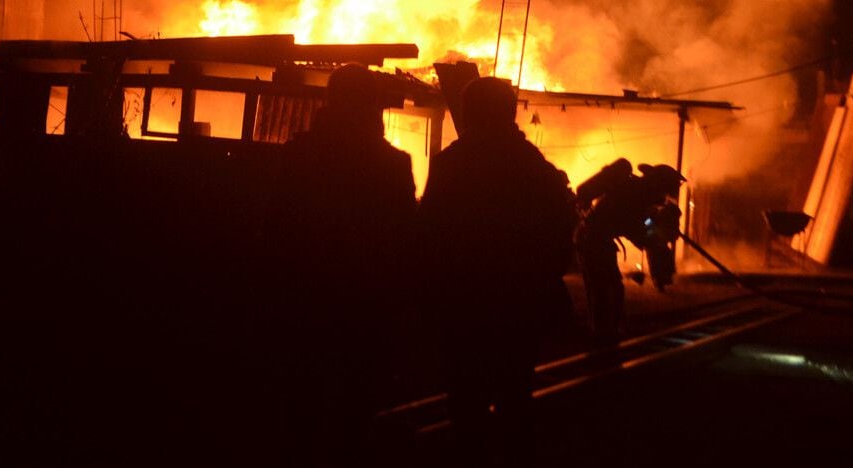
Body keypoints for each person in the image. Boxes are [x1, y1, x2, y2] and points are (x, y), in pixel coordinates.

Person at [262, 63, 417, 467]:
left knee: (300, 406)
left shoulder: (300, 155)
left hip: (305, 299)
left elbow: (277, 226)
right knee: (355, 408)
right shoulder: (393, 164)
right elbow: (405, 240)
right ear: (374, 108)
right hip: (365, 306)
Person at [418, 77, 574, 468]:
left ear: (469, 114)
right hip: (518, 309)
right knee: (514, 398)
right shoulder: (536, 169)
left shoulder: (451, 164)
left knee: (466, 403)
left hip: (463, 307)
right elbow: (560, 237)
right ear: (509, 112)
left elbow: (429, 235)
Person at [574, 159, 685, 346]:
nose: (664, 195)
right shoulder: (634, 195)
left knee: (610, 288)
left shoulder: (636, 193)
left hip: (596, 240)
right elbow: (638, 231)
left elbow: (642, 225)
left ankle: (606, 332)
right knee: (604, 289)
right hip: (593, 241)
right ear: (658, 184)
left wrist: (657, 225)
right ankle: (602, 336)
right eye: (665, 189)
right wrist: (659, 232)